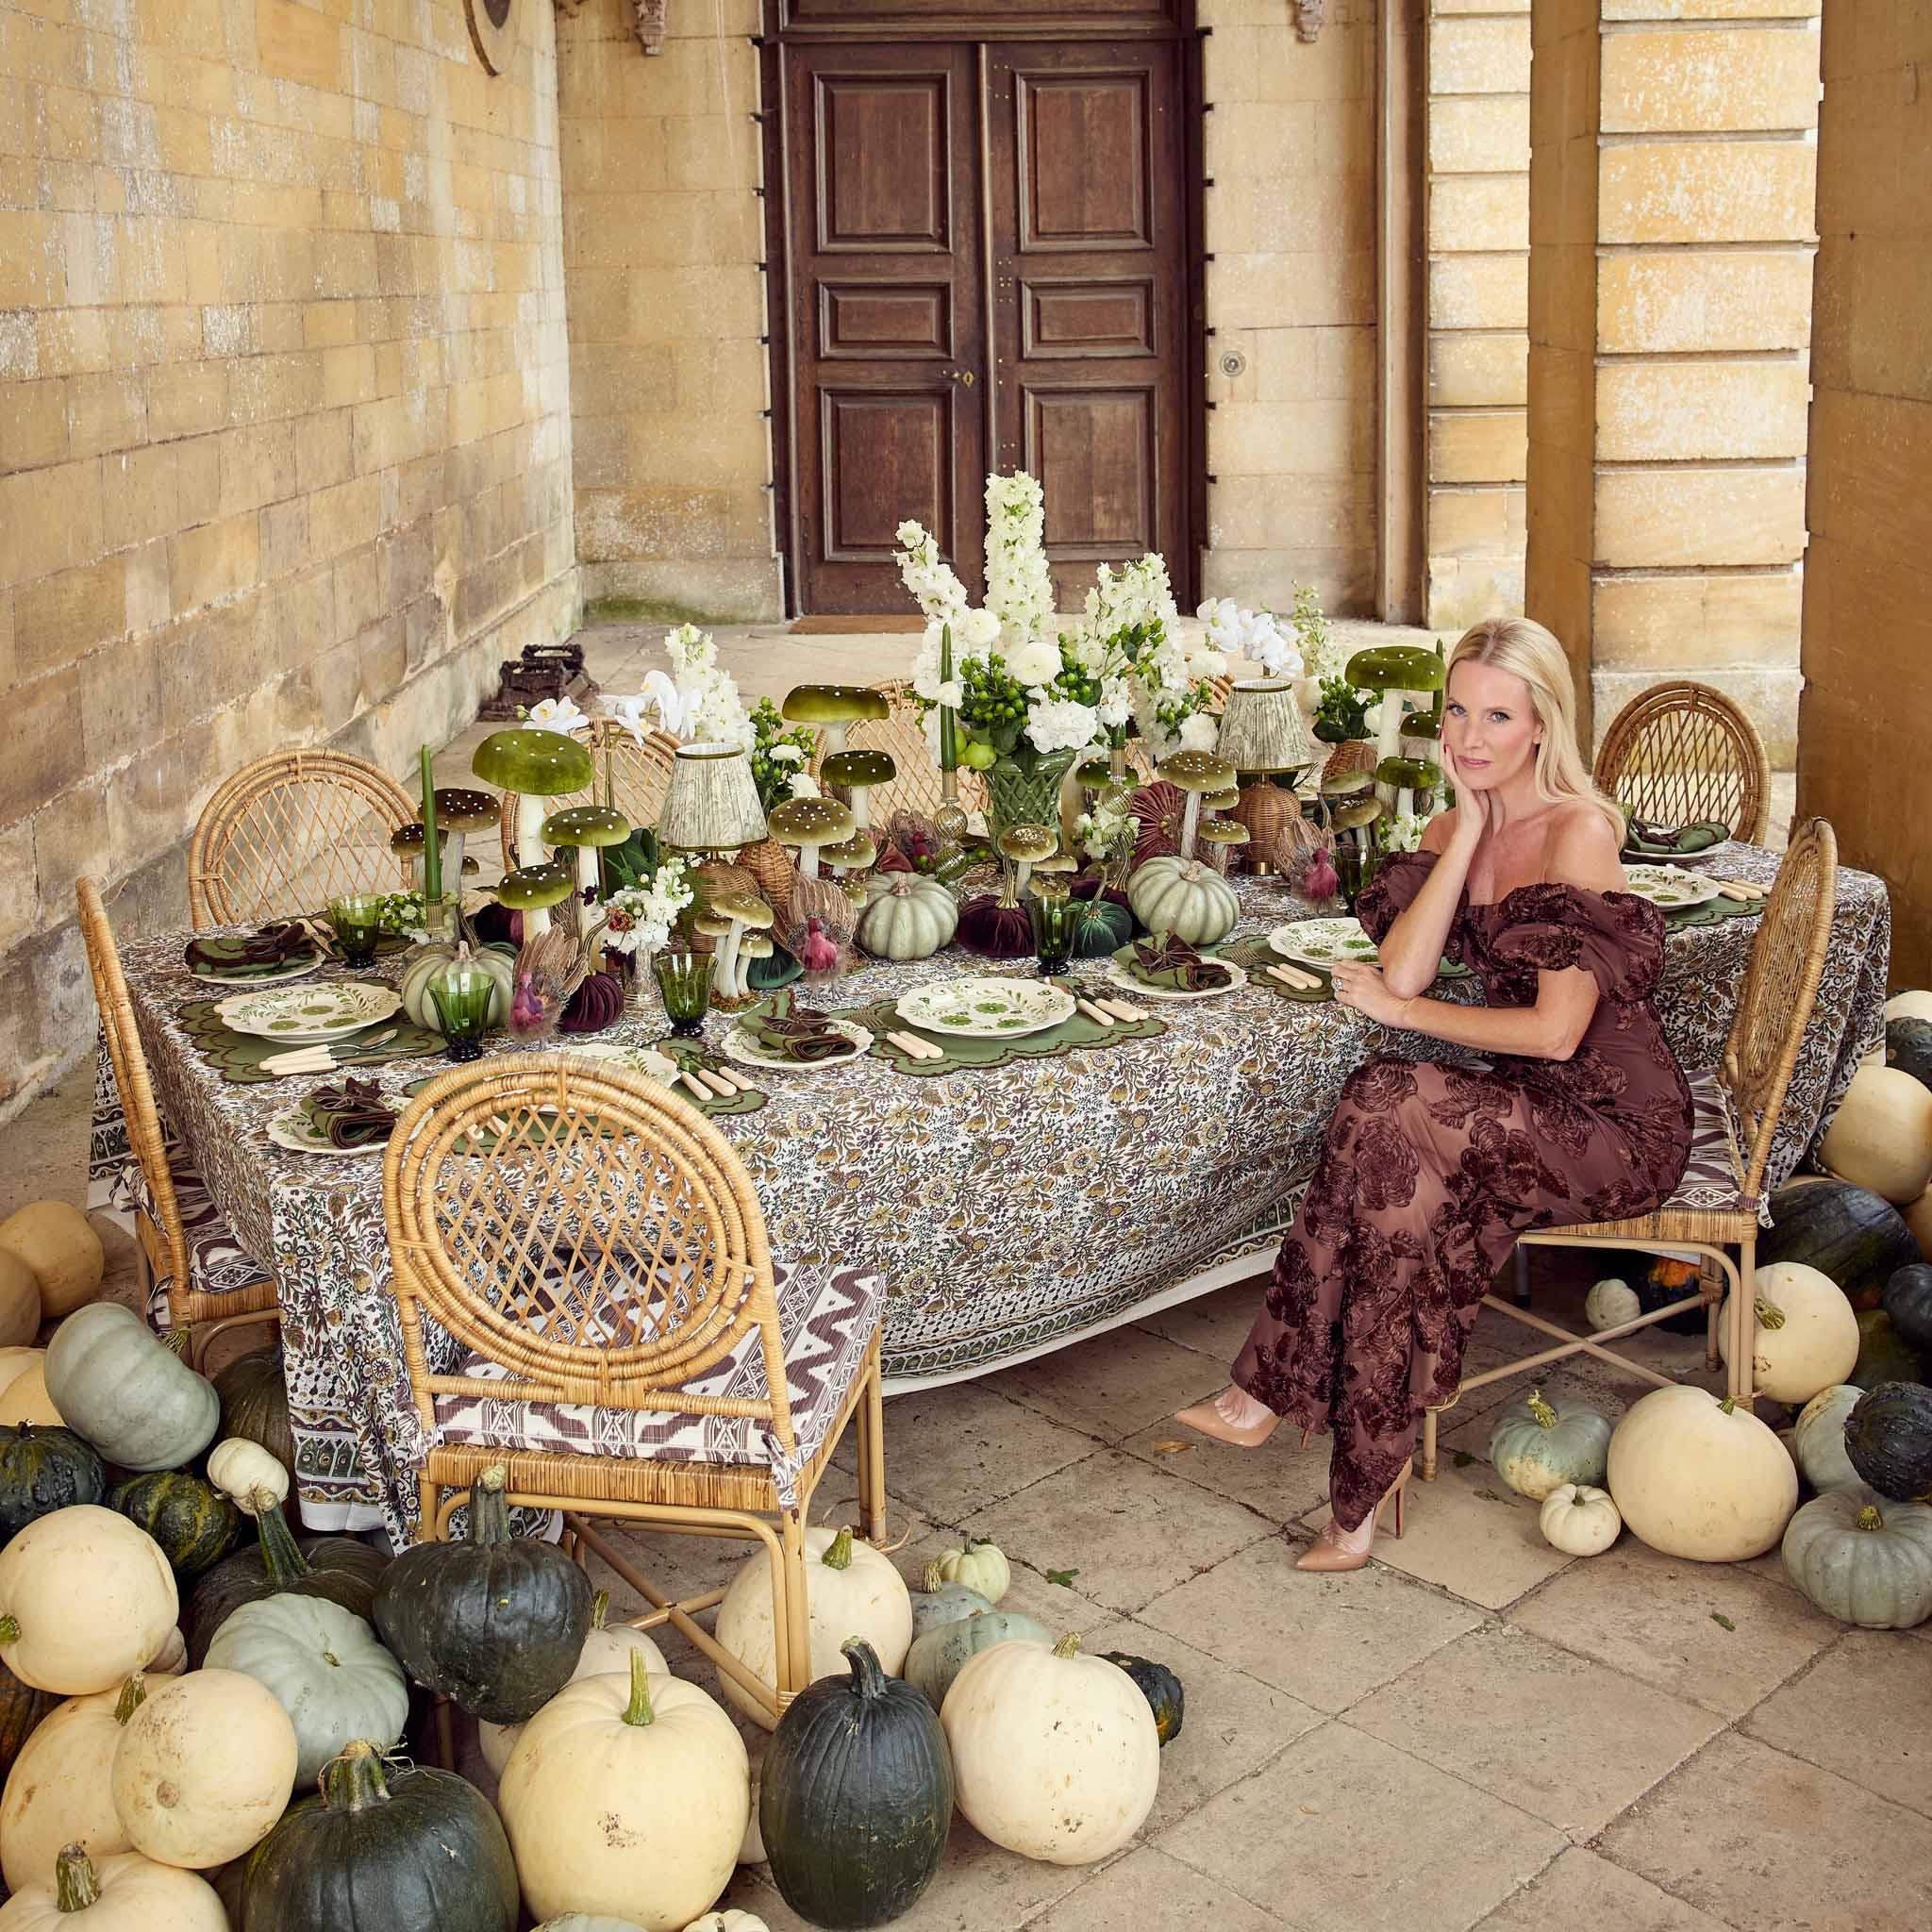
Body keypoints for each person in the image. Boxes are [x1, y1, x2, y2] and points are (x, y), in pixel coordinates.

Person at [1176, 616, 1693, 1570]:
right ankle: (1355, 1503)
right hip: (1515, 1108)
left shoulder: (1578, 831)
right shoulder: (1461, 818)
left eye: (1494, 715)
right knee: (1397, 1200)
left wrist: (1402, 1017)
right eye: (1456, 709)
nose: (1467, 733)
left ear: (1538, 723)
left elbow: (1554, 1032)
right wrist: (1465, 828)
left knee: (1384, 1096)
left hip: (1608, 1122)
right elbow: (1402, 971)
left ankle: (1269, 1393)